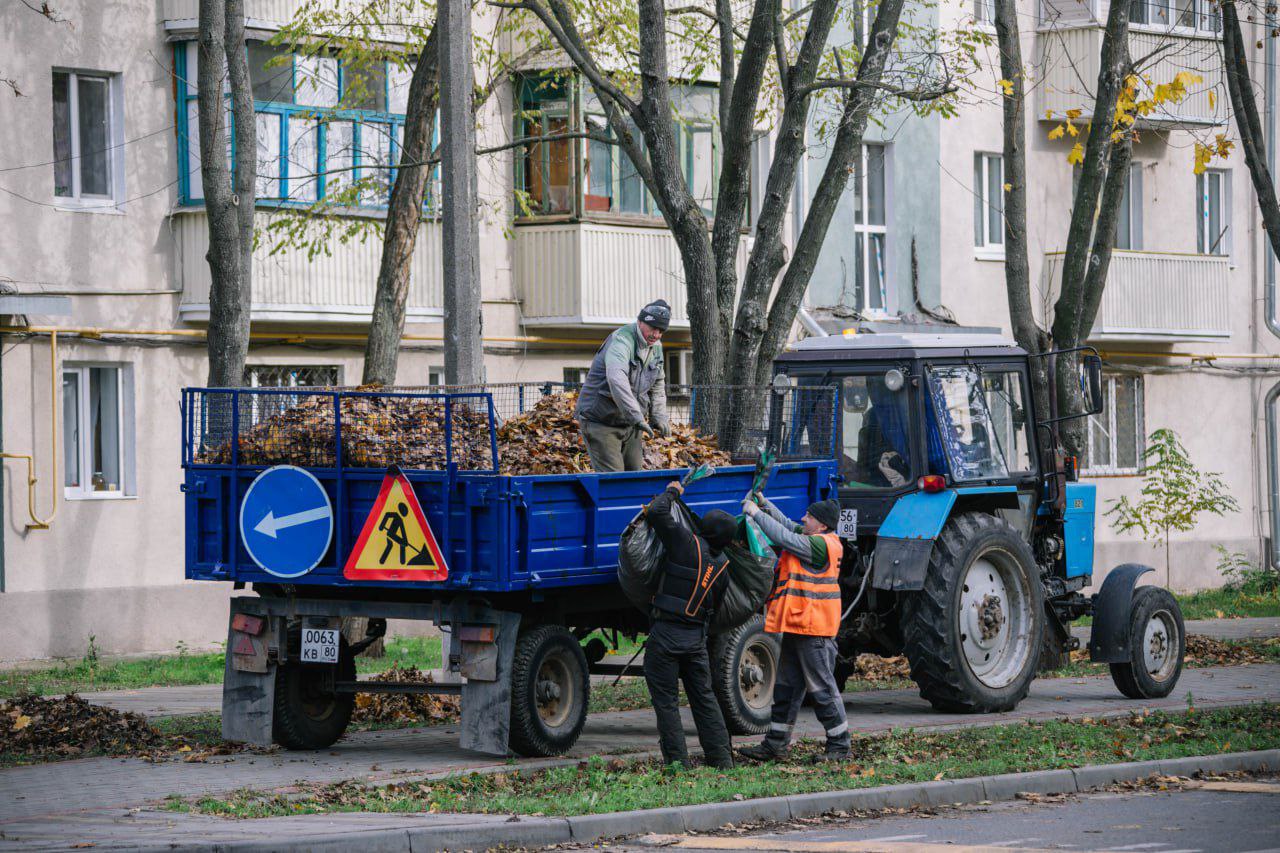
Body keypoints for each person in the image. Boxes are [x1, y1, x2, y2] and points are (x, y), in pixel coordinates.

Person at [737, 496, 850, 763]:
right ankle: (775, 745)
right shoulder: (816, 538)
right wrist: (765, 505)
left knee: (822, 690)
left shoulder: (820, 546)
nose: (803, 519)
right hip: (799, 626)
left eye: (809, 516)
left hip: (814, 629)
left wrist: (755, 514)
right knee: (786, 689)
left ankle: (840, 746)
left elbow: (784, 537)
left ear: (822, 525)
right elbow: (787, 525)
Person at [642, 480, 738, 769]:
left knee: (667, 703)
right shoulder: (723, 568)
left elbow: (656, 512)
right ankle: (722, 760)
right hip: (696, 641)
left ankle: (678, 764)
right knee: (705, 700)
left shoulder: (686, 544)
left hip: (666, 637)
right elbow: (715, 609)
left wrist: (673, 491)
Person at [574, 300, 672, 472]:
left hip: (630, 423)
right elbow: (616, 379)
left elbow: (658, 383)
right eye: (653, 328)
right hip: (601, 420)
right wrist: (636, 416)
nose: (656, 335)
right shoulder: (621, 341)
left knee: (634, 476)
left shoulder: (656, 347)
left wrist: (659, 415)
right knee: (615, 480)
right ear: (640, 321)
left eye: (661, 331)